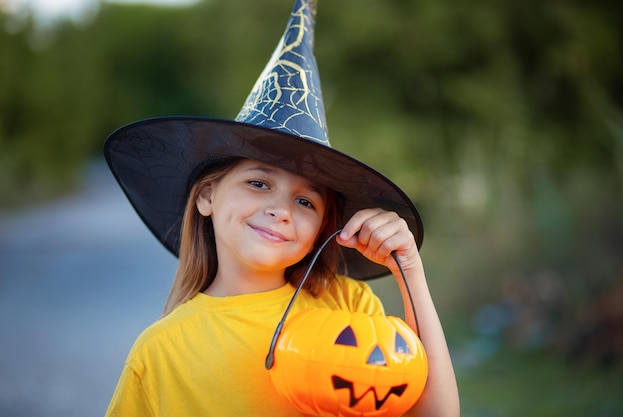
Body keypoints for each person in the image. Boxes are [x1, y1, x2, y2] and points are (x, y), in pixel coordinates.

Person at [103, 0, 459, 416]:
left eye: (305, 201)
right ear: (207, 196)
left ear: (323, 224)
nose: (281, 210)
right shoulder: (161, 353)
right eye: (258, 183)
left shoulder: (348, 308)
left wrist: (409, 273)